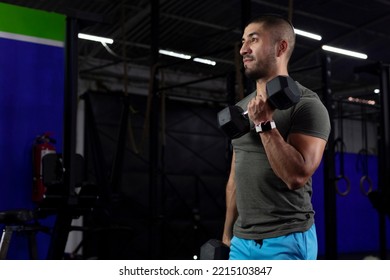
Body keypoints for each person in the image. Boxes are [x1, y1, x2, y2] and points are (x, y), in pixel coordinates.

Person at [222, 14, 331, 260]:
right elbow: (236, 177)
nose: (243, 49)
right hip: (242, 241)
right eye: (242, 41)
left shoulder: (307, 105)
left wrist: (264, 123)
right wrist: (228, 233)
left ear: (280, 47)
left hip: (286, 238)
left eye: (254, 40)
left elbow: (296, 176)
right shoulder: (240, 109)